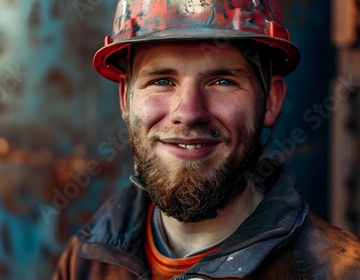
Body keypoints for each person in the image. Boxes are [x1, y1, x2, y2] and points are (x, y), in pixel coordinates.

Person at [52, 0, 360, 279]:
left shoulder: (336, 271)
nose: (188, 112)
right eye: (161, 80)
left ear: (270, 101)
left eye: (223, 81)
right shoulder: (87, 259)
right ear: (125, 99)